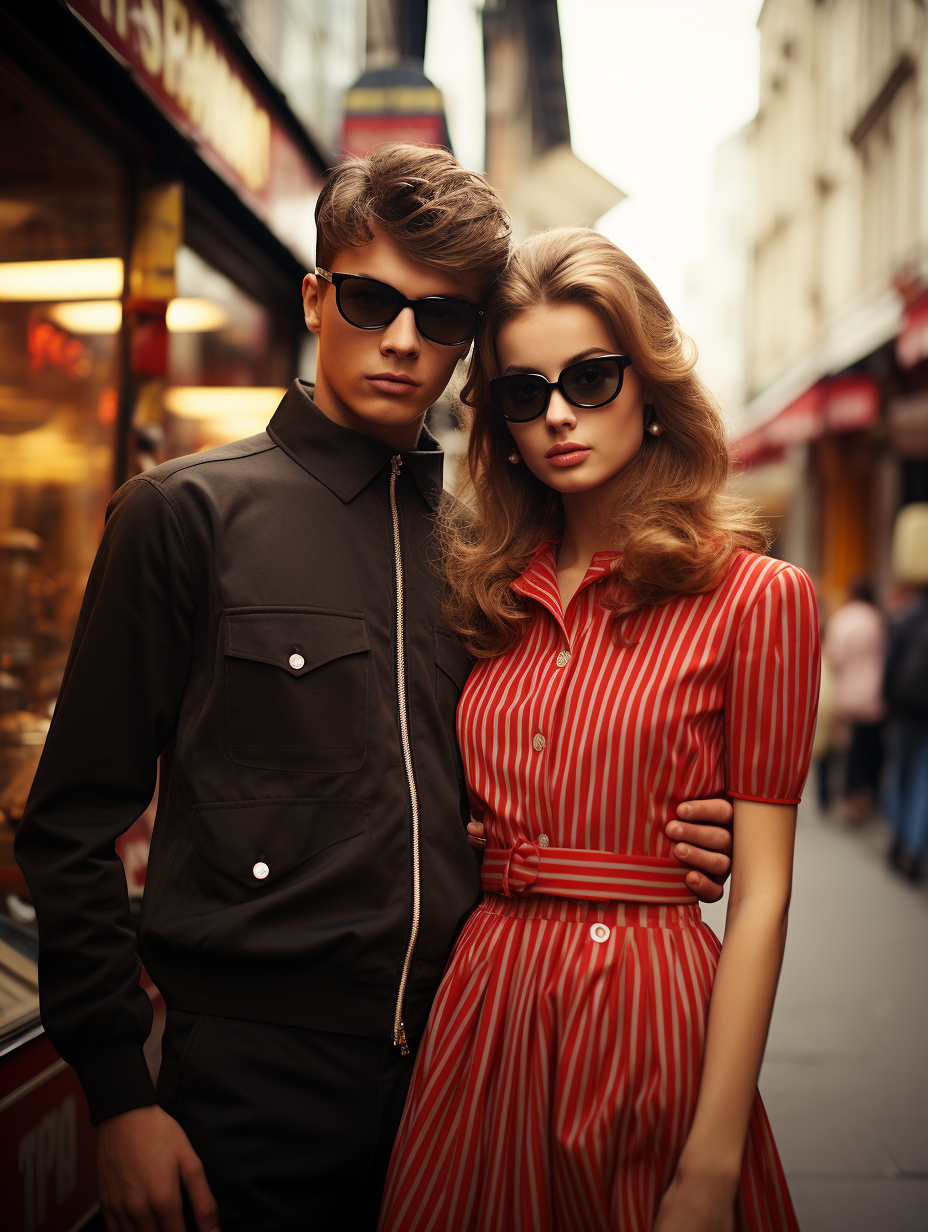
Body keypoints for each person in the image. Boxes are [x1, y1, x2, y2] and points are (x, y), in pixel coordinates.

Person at [15, 147, 734, 1232]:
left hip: (467, 1067)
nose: (403, 339)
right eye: (370, 299)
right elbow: (68, 823)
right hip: (250, 1085)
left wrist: (674, 826)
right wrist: (117, 1090)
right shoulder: (184, 515)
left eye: (442, 317)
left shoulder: (488, 550)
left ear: (468, 345)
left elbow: (547, 755)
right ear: (316, 297)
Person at [378, 228, 820, 1232]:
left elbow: (761, 892)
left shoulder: (757, 600)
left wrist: (711, 1161)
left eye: (589, 376)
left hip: (644, 1002)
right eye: (523, 393)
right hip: (486, 1006)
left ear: (649, 385)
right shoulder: (483, 595)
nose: (558, 415)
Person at [821, 576, 886, 822]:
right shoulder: (878, 618)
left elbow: (833, 656)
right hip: (875, 695)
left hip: (847, 694)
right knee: (868, 749)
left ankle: (848, 797)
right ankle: (867, 796)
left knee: (846, 750)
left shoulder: (843, 618)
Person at [883, 584, 928, 881]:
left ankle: (898, 838)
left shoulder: (904, 621)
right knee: (922, 780)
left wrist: (887, 700)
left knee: (899, 773)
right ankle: (915, 847)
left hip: (902, 712)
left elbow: (890, 669)